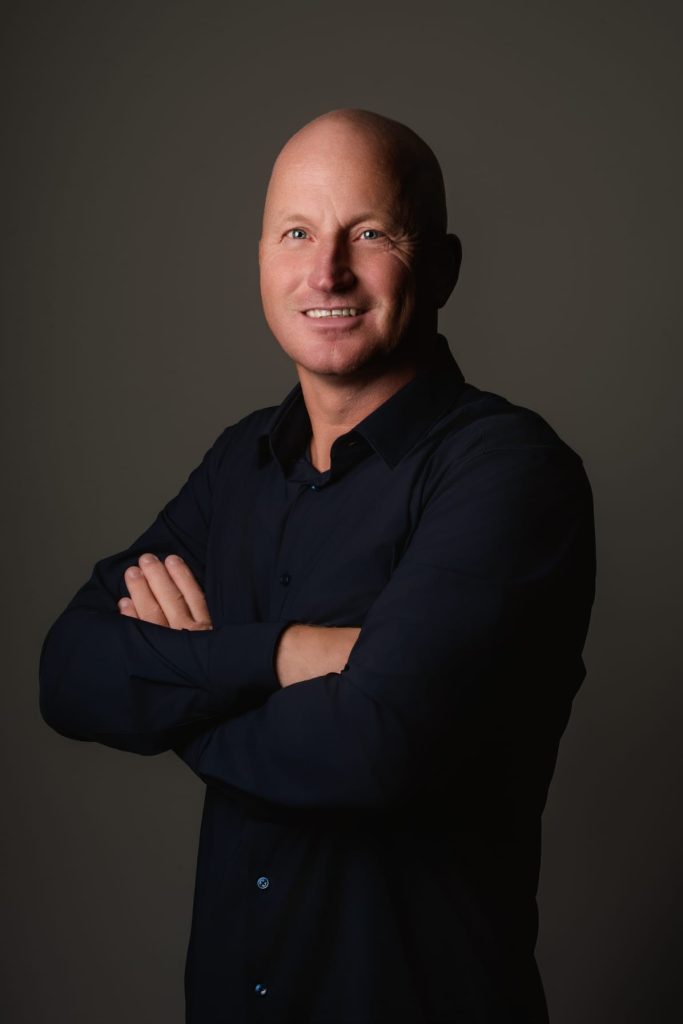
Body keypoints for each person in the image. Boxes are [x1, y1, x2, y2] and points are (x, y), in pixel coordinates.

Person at [39, 108, 596, 1023]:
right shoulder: (239, 463)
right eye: (296, 233)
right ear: (260, 259)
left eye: (369, 234)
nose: (326, 271)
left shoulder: (509, 471)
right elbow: (68, 672)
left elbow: (371, 746)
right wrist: (285, 655)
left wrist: (175, 691)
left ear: (442, 266)